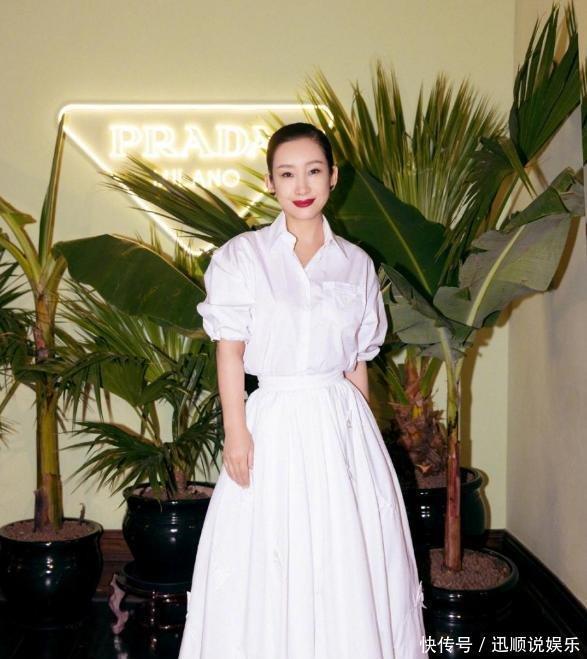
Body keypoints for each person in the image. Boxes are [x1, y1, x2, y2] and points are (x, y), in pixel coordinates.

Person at [178, 122, 429, 659]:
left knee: (348, 553)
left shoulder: (356, 264)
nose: (301, 185)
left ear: (333, 176)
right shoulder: (243, 256)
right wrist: (235, 432)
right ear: (270, 183)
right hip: (273, 420)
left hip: (341, 423)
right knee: (272, 550)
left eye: (313, 171)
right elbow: (229, 351)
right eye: (287, 174)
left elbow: (356, 362)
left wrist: (367, 440)